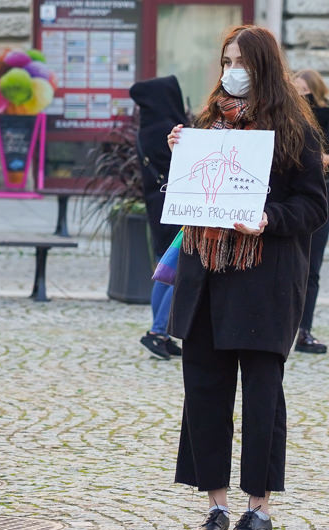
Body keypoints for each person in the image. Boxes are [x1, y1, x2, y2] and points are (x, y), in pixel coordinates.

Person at [166, 25, 327, 530]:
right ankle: (215, 507)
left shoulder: (295, 130)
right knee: (205, 395)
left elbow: (313, 208)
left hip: (264, 283)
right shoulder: (206, 123)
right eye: (225, 59)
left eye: (241, 61)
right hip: (207, 279)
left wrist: (267, 217)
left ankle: (258, 511)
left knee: (261, 401)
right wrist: (181, 154)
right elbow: (191, 198)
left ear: (264, 67)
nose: (231, 69)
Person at [130, 76, 189, 360]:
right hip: (176, 204)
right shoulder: (169, 129)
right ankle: (157, 332)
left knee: (165, 269)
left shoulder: (147, 126)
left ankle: (160, 333)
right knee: (179, 268)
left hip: (158, 204)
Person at [292, 69, 329, 354]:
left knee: (312, 267)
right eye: (296, 89)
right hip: (291, 194)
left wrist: (326, 158)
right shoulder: (288, 117)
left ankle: (304, 329)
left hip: (321, 193)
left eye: (305, 90)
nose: (300, 95)